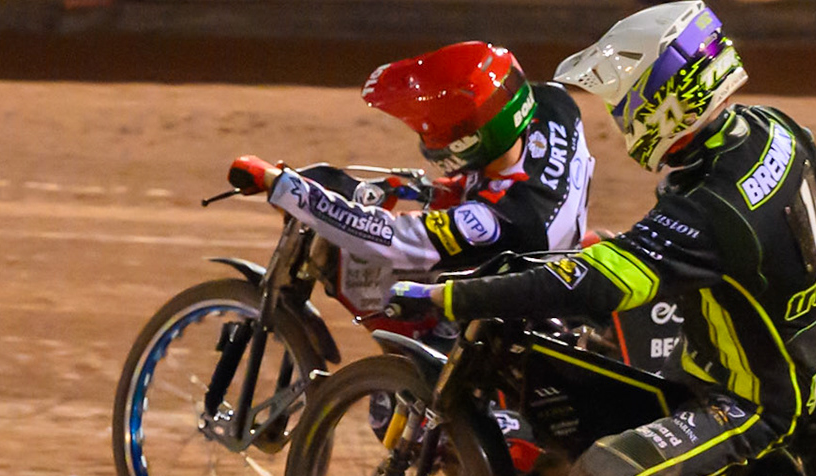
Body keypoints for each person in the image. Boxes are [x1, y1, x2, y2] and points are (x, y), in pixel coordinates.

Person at [386, 1, 816, 476]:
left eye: (628, 101)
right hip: (798, 336)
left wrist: (455, 296)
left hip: (747, 395)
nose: (622, 117)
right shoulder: (776, 131)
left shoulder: (704, 211)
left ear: (667, 101)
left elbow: (593, 285)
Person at [227, 40, 593, 317]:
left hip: (513, 306)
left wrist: (287, 189)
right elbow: (506, 181)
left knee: (401, 298)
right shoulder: (554, 106)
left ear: (472, 140)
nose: (430, 138)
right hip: (555, 258)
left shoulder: (496, 219)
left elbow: (389, 238)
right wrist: (424, 191)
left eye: (438, 131)